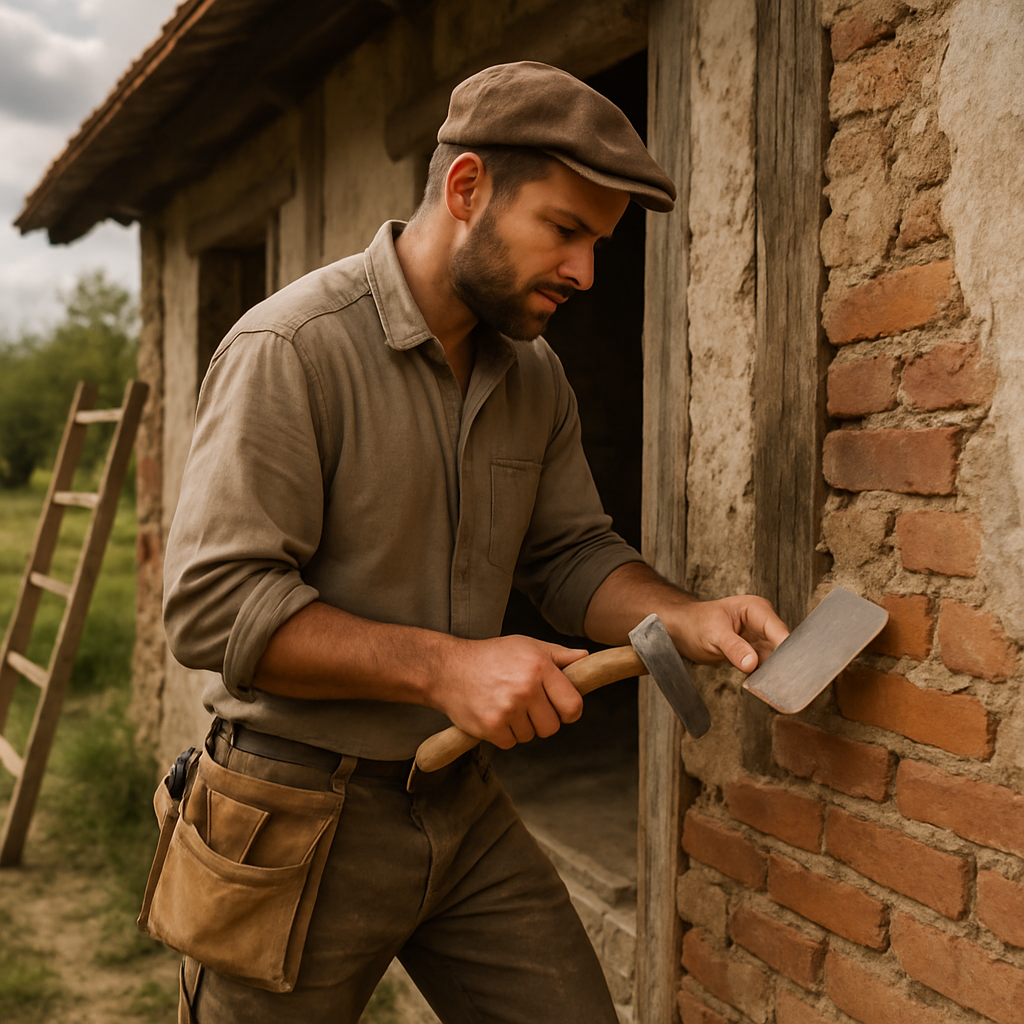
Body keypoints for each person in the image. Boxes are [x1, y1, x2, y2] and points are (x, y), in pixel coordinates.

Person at [159, 61, 788, 1024]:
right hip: (287, 812)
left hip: (458, 804)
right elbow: (214, 609)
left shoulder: (535, 377)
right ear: (466, 189)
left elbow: (571, 556)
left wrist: (686, 617)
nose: (585, 272)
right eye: (565, 230)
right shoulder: (291, 348)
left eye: (599, 242)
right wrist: (449, 669)